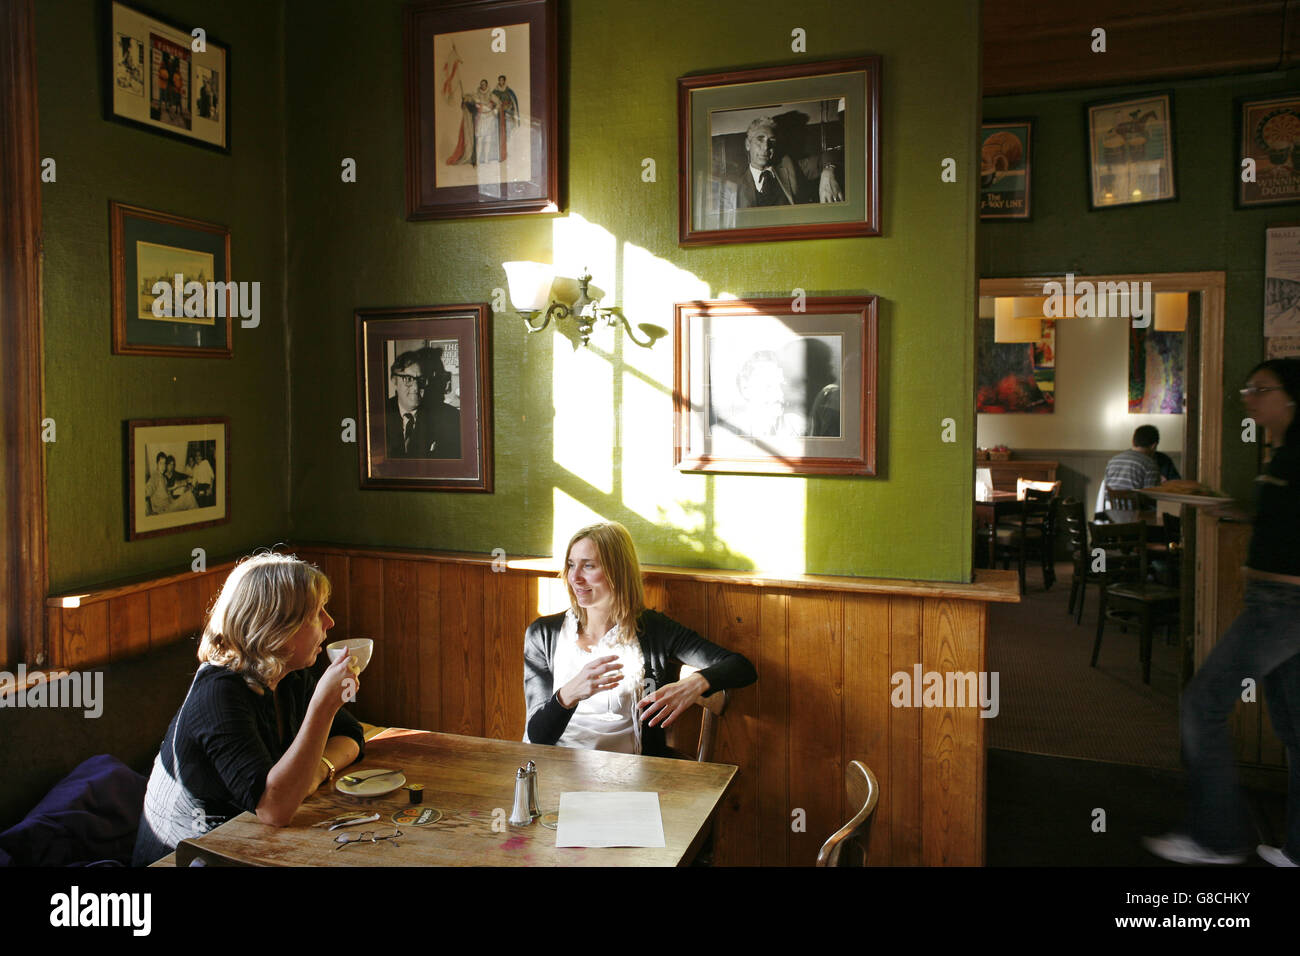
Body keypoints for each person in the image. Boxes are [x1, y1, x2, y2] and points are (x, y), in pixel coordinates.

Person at [1145, 359, 1300, 866]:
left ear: (1292, 398)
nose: (1249, 398)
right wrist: (1238, 511)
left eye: (1260, 390)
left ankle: (1218, 837)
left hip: (1285, 607)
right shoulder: (1281, 453)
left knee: (1202, 704)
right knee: (1296, 728)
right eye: (1247, 388)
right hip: (1274, 603)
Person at [132, 553, 364, 864]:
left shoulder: (287, 675)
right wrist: (323, 707)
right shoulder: (219, 694)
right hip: (193, 855)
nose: (330, 622)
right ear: (277, 627)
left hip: (251, 843)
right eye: (315, 614)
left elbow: (350, 736)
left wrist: (316, 772)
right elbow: (274, 809)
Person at [524, 521, 757, 756]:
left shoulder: (653, 630)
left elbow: (741, 667)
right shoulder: (544, 634)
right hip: (558, 767)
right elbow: (537, 736)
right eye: (571, 565)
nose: (575, 577)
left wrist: (695, 684)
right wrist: (568, 694)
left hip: (631, 774)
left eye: (588, 566)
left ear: (618, 571)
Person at [734, 115, 842, 209]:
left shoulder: (789, 165)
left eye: (771, 141)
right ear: (748, 144)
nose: (766, 147)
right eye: (760, 139)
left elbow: (832, 155)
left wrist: (828, 171)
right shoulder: (736, 185)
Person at [385, 350, 459, 459]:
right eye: (408, 379)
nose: (416, 388)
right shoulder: (378, 413)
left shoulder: (450, 417)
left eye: (421, 380)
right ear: (394, 380)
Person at [1095, 424, 1164, 514]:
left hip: (1113, 518)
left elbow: (1107, 495)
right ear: (1153, 446)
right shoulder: (1150, 465)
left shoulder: (1113, 461)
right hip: (1138, 521)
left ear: (1133, 441)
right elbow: (1151, 501)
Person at [492, 74, 520, 161]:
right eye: (499, 80)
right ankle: (499, 154)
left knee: (509, 135)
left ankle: (509, 154)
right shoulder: (494, 92)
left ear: (504, 81)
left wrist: (508, 108)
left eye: (502, 80)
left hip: (508, 116)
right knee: (498, 134)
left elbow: (513, 103)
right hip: (498, 117)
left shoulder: (509, 91)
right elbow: (492, 104)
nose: (501, 82)